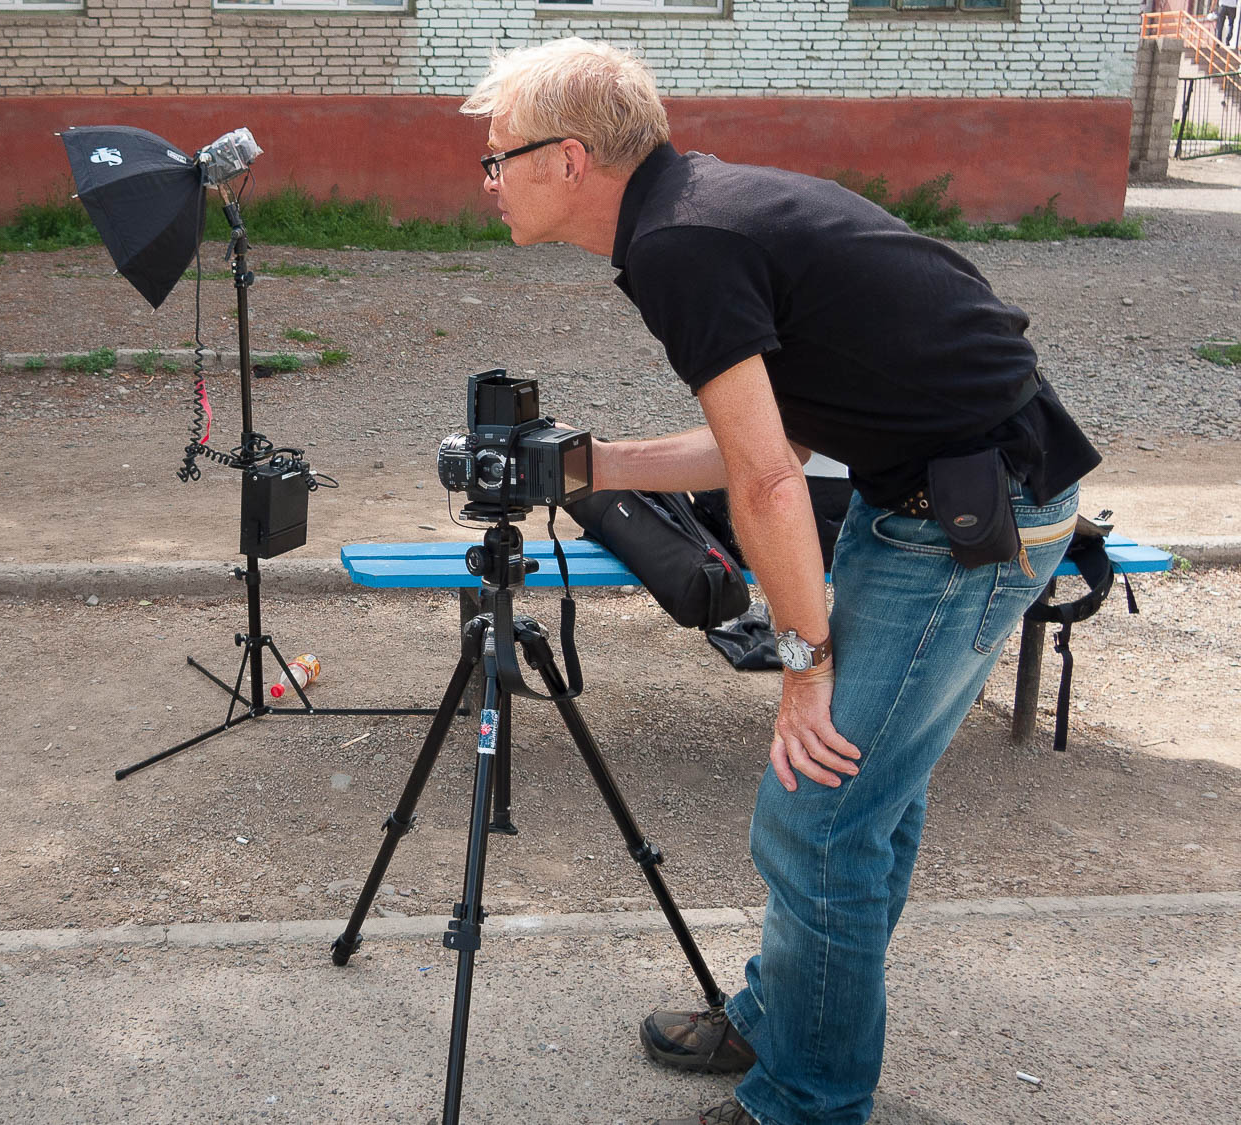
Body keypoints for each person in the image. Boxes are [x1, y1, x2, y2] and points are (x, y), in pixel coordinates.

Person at [460, 39, 1098, 1125]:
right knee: (859, 810)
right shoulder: (699, 212)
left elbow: (764, 478)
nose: (483, 179)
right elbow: (780, 439)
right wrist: (590, 467)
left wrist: (800, 664)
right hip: (929, 498)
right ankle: (792, 1016)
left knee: (818, 815)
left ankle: (804, 1098)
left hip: (963, 521)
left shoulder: (678, 243)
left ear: (566, 158)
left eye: (494, 158)